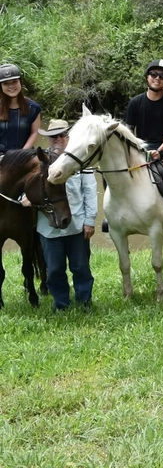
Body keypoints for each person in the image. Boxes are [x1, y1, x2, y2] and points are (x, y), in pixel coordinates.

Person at [36, 118, 97, 311]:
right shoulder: (38, 161)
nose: (58, 139)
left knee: (81, 267)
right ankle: (61, 304)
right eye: (53, 136)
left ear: (69, 138)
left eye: (62, 135)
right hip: (48, 227)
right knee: (54, 270)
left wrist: (90, 221)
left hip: (77, 225)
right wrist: (26, 198)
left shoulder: (81, 162)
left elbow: (90, 191)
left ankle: (84, 302)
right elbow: (26, 186)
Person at [124, 60, 163, 227]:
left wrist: (160, 150)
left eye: (162, 76)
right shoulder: (135, 103)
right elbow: (128, 131)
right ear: (147, 77)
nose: (157, 78)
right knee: (115, 168)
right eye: (153, 74)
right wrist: (138, 148)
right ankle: (113, 210)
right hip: (140, 146)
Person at [0, 63, 41, 155]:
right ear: (1, 86)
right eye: (6, 83)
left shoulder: (34, 108)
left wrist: (21, 154)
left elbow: (34, 133)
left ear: (20, 82)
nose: (11, 86)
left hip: (24, 156)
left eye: (14, 81)